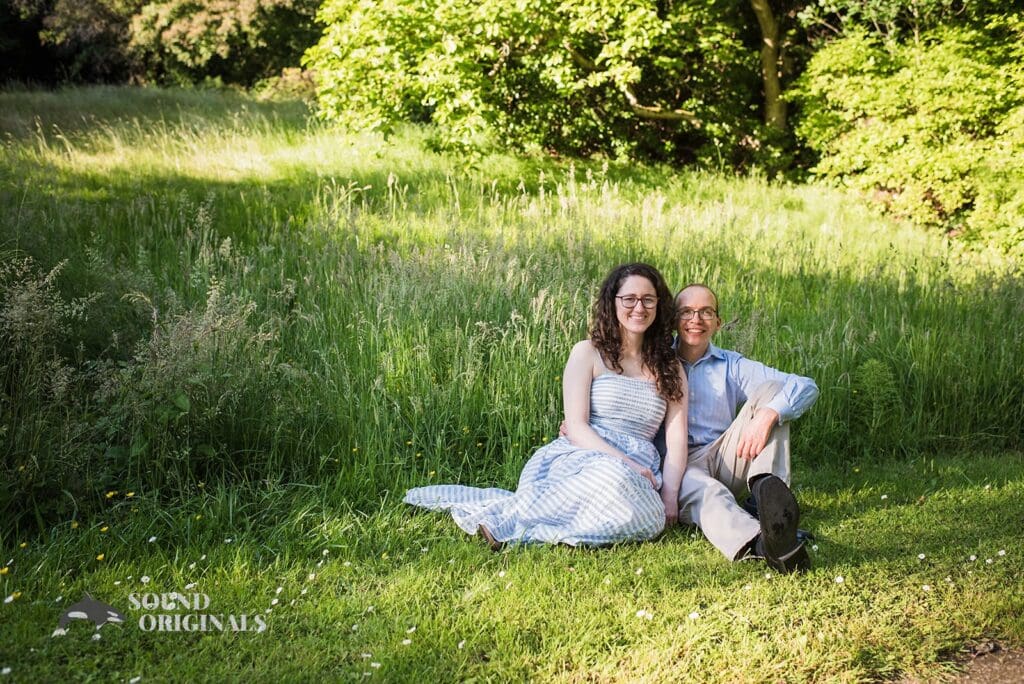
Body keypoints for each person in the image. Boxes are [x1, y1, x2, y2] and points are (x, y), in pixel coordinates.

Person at [404, 263, 689, 547]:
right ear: (612, 302)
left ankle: (534, 533)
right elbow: (576, 426)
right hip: (586, 453)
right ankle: (506, 521)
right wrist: (625, 462)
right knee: (613, 478)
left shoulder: (669, 366)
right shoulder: (588, 353)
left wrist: (669, 496)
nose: (639, 307)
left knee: (650, 519)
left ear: (658, 304)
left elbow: (676, 439)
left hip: (640, 467)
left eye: (648, 299)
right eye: (629, 299)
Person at [665, 283, 819, 572]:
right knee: (708, 492)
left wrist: (768, 414)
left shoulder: (730, 364)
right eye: (686, 312)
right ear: (674, 319)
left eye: (706, 312)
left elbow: (805, 386)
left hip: (727, 456)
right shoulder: (657, 362)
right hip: (679, 465)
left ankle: (766, 496)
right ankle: (764, 542)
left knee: (774, 392)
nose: (696, 319)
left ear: (718, 322)